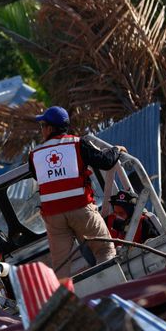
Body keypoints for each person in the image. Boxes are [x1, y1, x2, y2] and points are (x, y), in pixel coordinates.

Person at [29, 106, 125, 278]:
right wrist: (116, 149)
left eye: (42, 125)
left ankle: (66, 302)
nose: (41, 130)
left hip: (53, 216)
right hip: (81, 209)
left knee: (61, 265)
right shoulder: (77, 143)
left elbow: (39, 177)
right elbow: (105, 162)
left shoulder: (34, 154)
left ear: (50, 128)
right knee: (104, 250)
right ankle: (113, 290)